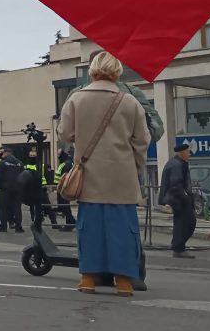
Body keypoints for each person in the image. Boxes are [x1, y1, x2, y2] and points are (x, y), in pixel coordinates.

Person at [58, 51, 150, 296]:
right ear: (117, 71)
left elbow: (64, 134)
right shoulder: (129, 101)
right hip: (122, 177)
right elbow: (142, 140)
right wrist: (135, 167)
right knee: (123, 229)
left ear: (92, 70)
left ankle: (88, 279)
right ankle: (123, 282)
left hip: (89, 175)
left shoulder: (76, 99)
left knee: (90, 228)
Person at [159, 143, 197, 258]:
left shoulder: (178, 163)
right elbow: (176, 185)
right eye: (188, 152)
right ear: (182, 153)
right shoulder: (177, 165)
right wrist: (185, 197)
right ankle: (178, 247)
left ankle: (178, 246)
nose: (189, 154)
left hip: (178, 199)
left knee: (183, 223)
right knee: (187, 223)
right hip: (179, 199)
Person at [0, 148, 24, 233]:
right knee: (17, 208)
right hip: (17, 189)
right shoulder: (20, 163)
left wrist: (0, 186)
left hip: (5, 189)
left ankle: (3, 227)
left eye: (3, 153)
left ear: (7, 153)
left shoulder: (3, 163)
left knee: (3, 208)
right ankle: (18, 227)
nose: (2, 155)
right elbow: (23, 176)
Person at [52, 149, 77, 230]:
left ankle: (70, 224)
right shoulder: (64, 163)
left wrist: (61, 187)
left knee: (65, 206)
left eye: (59, 155)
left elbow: (65, 177)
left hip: (63, 189)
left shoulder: (67, 164)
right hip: (60, 189)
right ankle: (72, 222)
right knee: (63, 206)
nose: (58, 156)